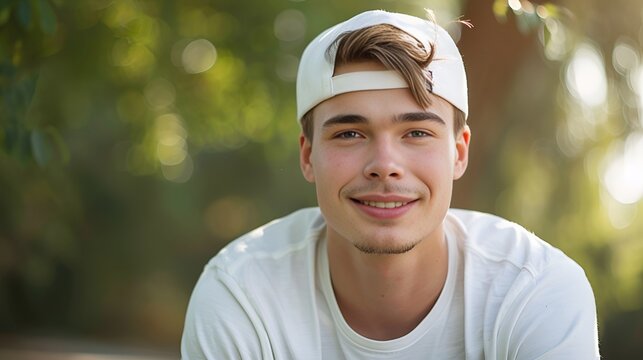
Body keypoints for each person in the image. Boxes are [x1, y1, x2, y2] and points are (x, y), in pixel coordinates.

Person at [181, 9, 600, 359]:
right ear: (308, 155)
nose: (385, 166)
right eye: (350, 133)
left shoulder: (534, 291)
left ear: (459, 152)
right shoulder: (242, 295)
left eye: (416, 133)